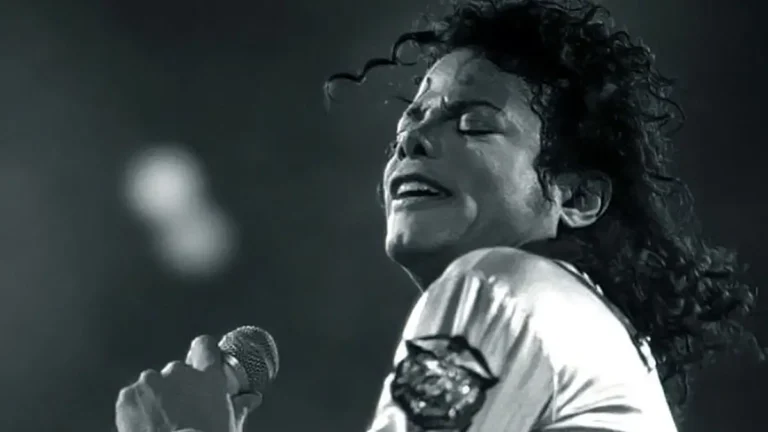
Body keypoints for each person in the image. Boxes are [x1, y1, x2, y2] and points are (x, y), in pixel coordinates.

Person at [114, 1, 761, 431]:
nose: (413, 141)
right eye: (409, 124)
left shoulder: (502, 282)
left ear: (577, 196)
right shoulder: (587, 332)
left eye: (474, 123)